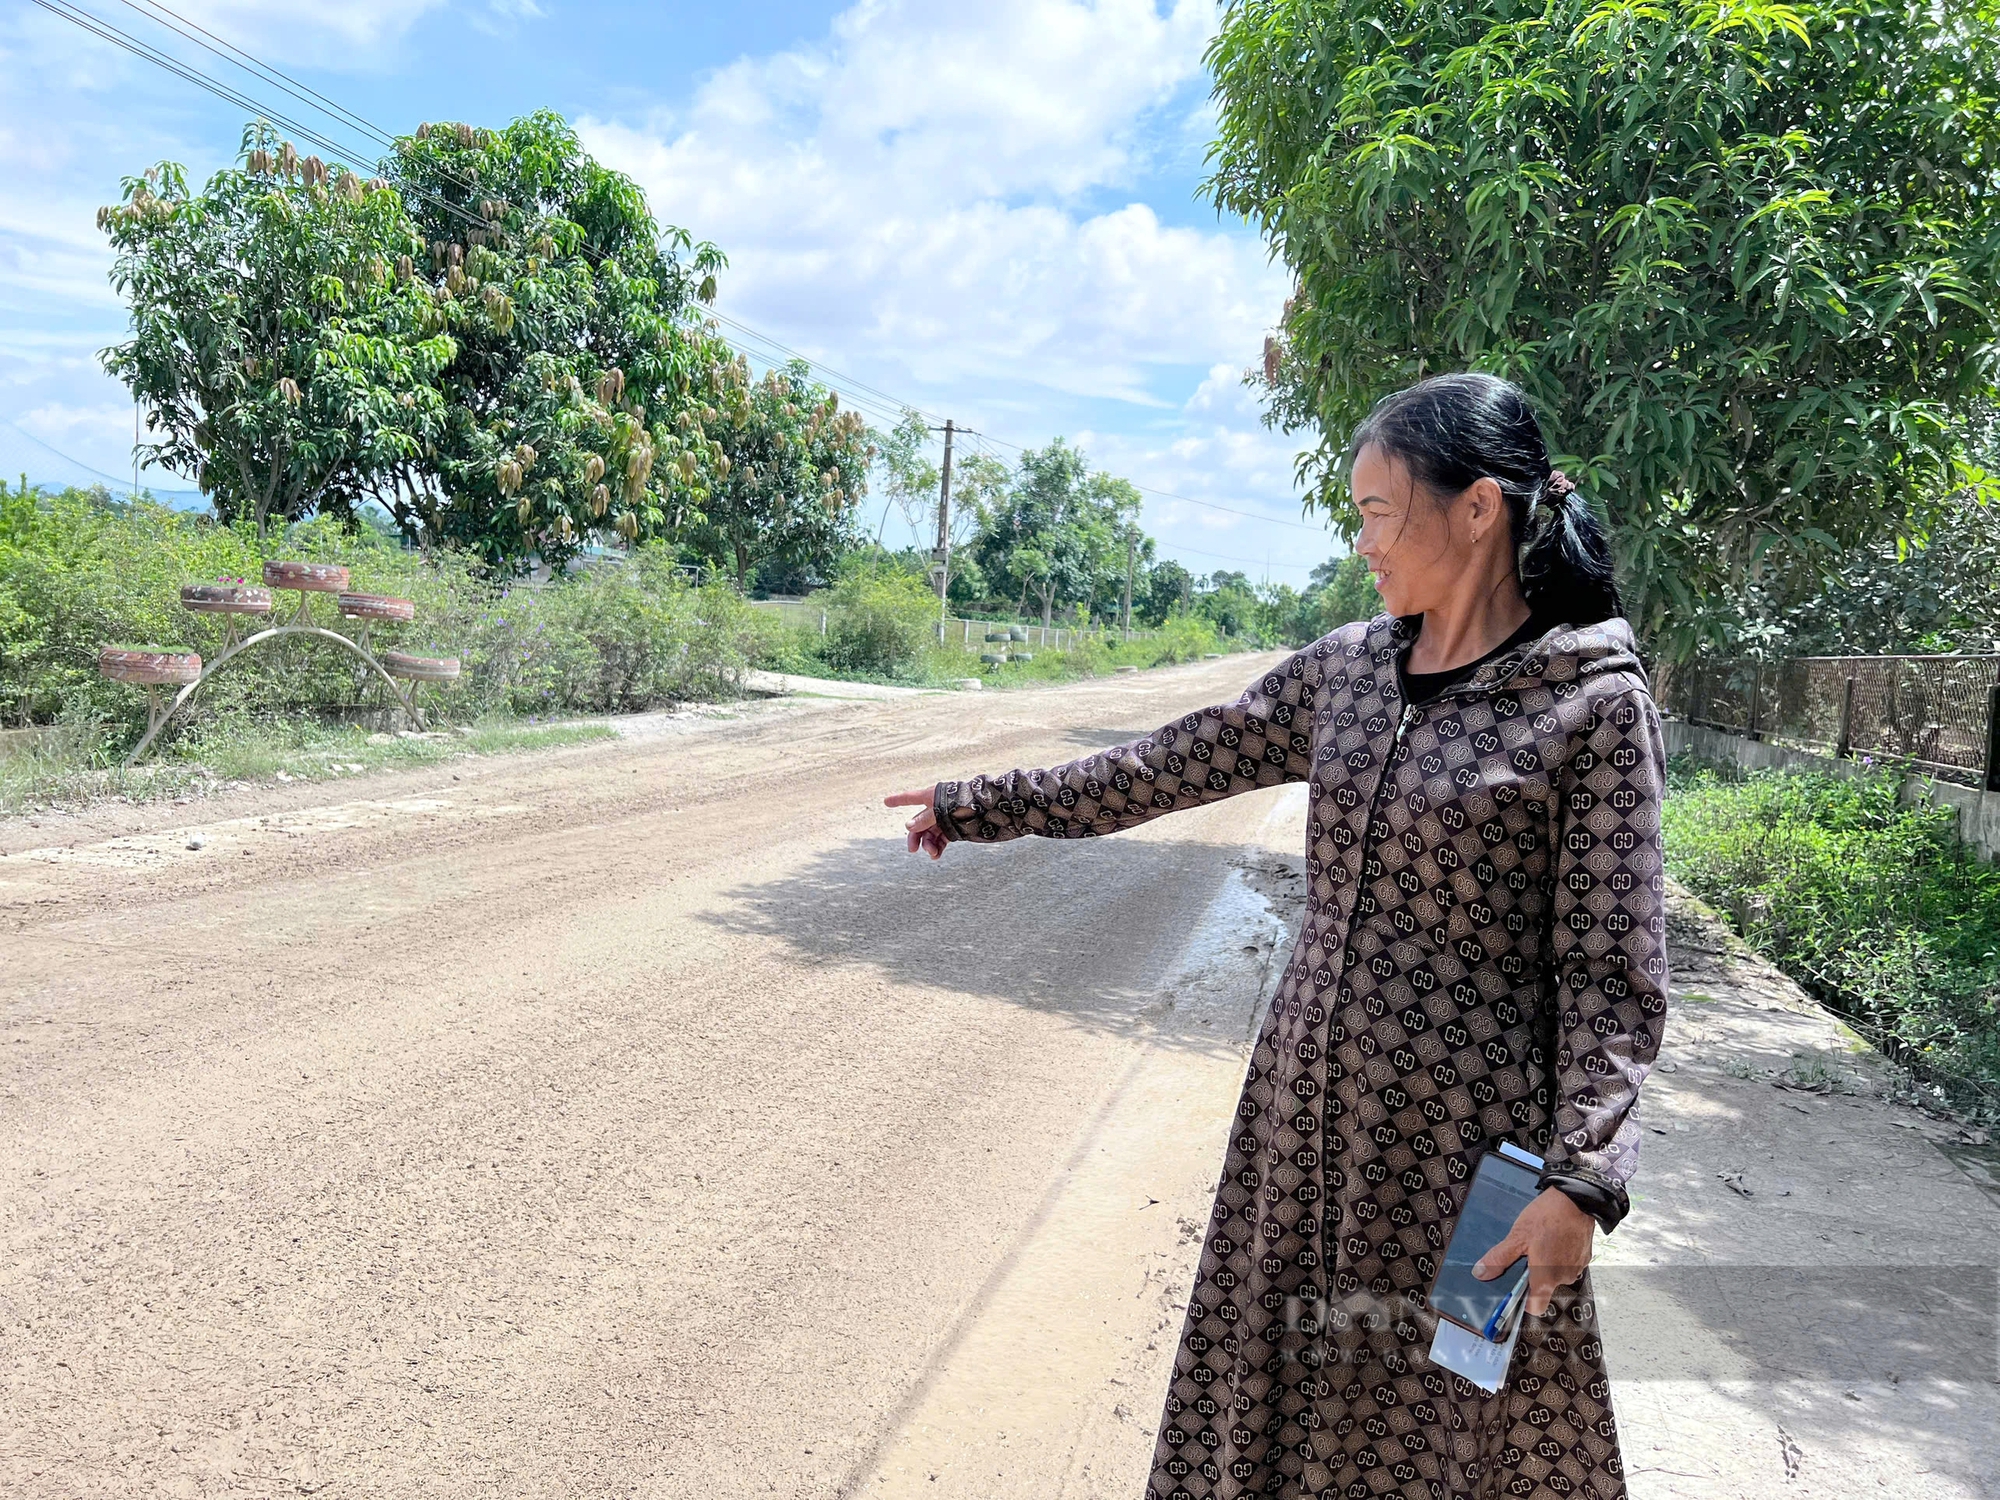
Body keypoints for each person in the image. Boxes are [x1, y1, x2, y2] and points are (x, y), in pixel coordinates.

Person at [885, 371, 1668, 1500]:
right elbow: (1172, 761)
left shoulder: (1589, 701)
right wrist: (981, 803)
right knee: (1280, 1406)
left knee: (1456, 1433)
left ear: (1477, 509)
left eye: (1375, 513)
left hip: (1469, 1167)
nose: (1361, 543)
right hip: (1298, 1131)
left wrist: (1581, 1180)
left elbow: (1611, 970)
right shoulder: (1347, 671)